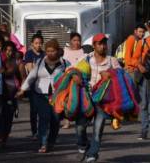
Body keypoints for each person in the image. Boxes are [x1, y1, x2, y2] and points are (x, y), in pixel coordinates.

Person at [17, 39, 68, 153]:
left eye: (53, 51)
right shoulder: (40, 62)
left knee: (55, 120)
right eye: (48, 51)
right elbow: (31, 77)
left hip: (57, 96)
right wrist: (22, 90)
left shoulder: (64, 63)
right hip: (40, 95)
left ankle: (51, 142)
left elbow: (72, 73)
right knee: (44, 118)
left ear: (57, 51)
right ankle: (43, 143)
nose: (50, 53)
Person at [76, 33, 120, 163]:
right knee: (80, 127)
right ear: (94, 45)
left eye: (104, 43)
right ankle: (83, 145)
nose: (103, 46)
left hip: (103, 101)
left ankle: (92, 154)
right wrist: (75, 76)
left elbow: (121, 76)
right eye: (100, 44)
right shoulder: (86, 59)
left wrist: (111, 74)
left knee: (98, 128)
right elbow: (74, 70)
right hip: (87, 98)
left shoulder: (112, 60)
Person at [0, 41, 26, 147]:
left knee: (8, 118)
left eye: (11, 50)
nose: (9, 52)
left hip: (12, 94)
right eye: (7, 50)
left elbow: (23, 78)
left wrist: (21, 90)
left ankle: (4, 138)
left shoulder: (18, 62)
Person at [62, 32, 86, 129]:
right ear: (70, 41)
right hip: (68, 78)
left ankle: (79, 119)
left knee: (79, 98)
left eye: (78, 40)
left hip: (80, 78)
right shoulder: (65, 51)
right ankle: (66, 120)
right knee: (67, 98)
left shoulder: (83, 51)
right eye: (74, 40)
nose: (77, 43)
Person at [24, 31, 45, 139]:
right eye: (36, 43)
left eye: (40, 43)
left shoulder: (44, 54)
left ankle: (43, 130)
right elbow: (30, 69)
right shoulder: (29, 54)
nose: (38, 45)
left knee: (43, 110)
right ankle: (34, 131)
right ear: (32, 44)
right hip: (33, 86)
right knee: (34, 110)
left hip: (44, 86)